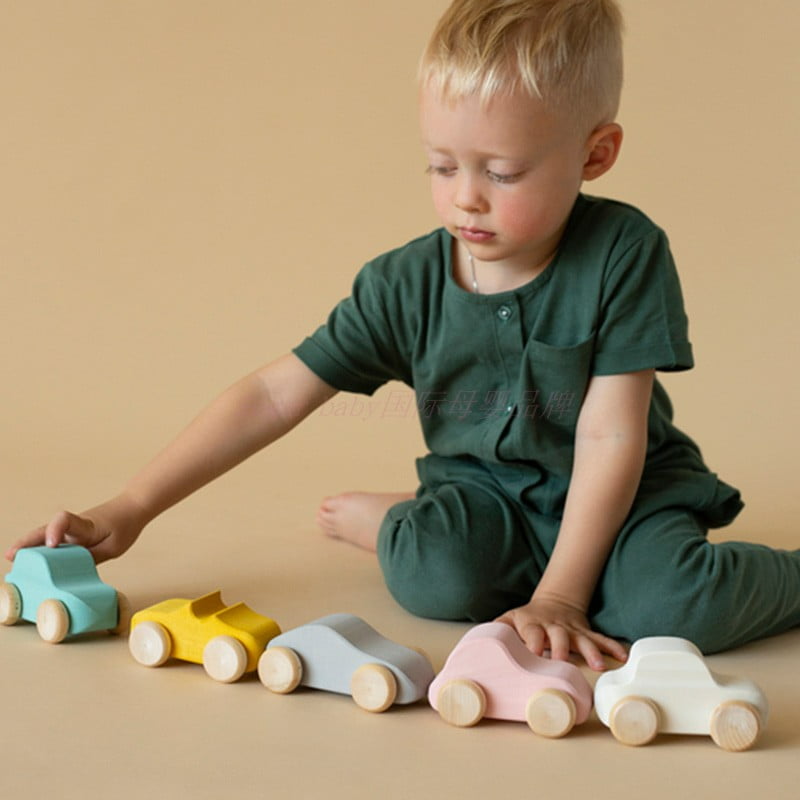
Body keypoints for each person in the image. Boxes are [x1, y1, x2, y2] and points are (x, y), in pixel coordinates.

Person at [7, 0, 799, 672]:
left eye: (502, 172)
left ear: (596, 154)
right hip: (488, 496)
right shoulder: (403, 283)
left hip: (626, 494)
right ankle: (398, 522)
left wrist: (560, 596)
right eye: (441, 166)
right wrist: (133, 506)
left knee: (671, 609)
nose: (466, 199)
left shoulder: (624, 252)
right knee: (437, 578)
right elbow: (274, 394)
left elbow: (611, 434)